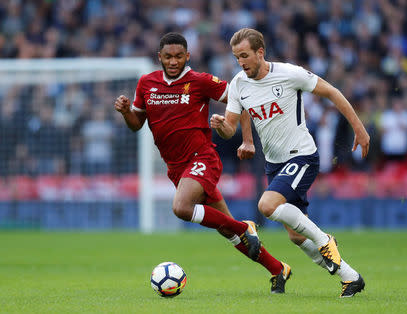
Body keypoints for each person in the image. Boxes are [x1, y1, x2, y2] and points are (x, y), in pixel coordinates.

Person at [114, 32, 291, 293]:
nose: (173, 62)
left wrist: (248, 140)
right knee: (230, 233)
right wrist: (127, 111)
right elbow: (136, 124)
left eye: (178, 57)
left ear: (187, 56)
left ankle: (245, 226)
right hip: (176, 169)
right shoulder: (146, 83)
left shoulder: (199, 81)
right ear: (159, 58)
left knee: (182, 208)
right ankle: (278, 269)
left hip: (202, 159)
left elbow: (240, 99)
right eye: (168, 57)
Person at [211, 28, 370, 298]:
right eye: (237, 57)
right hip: (274, 165)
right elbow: (231, 127)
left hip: (302, 156)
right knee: (297, 236)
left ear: (260, 52)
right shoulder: (238, 83)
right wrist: (222, 127)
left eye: (245, 56)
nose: (241, 62)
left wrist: (360, 129)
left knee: (267, 205)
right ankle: (350, 277)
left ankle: (324, 240)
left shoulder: (289, 74)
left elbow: (331, 92)